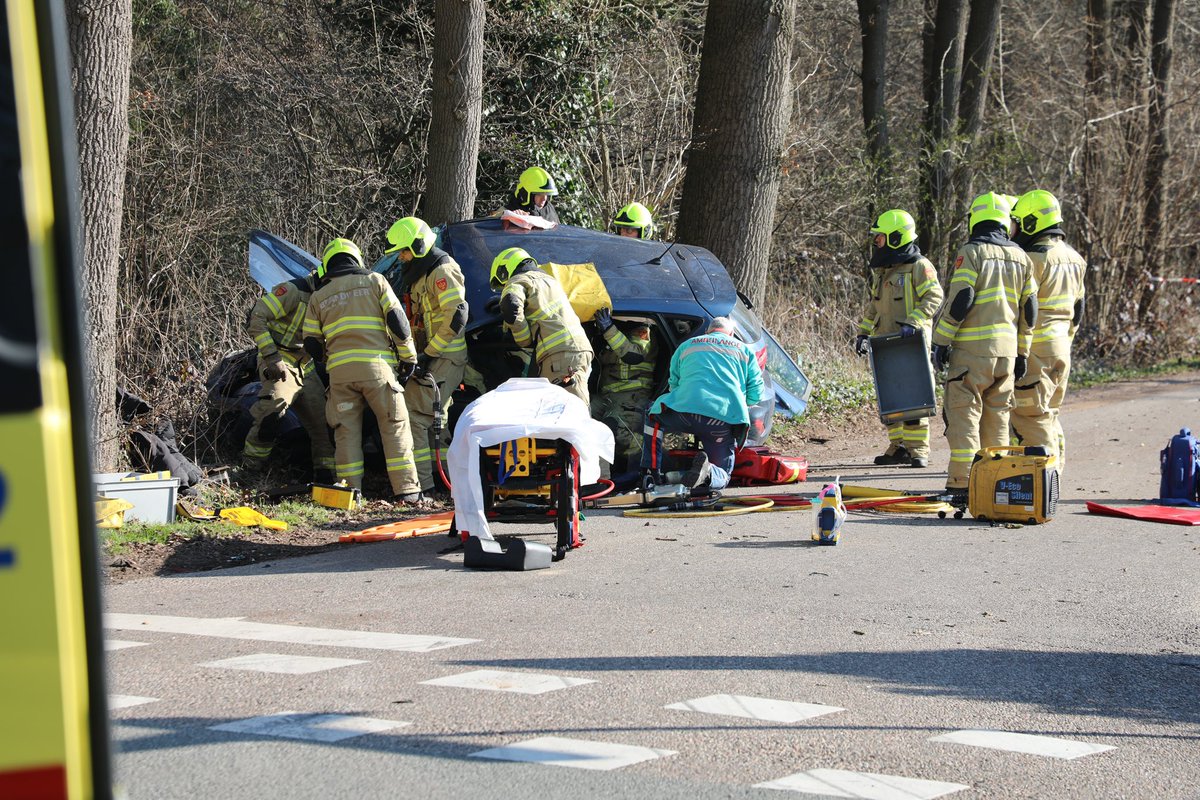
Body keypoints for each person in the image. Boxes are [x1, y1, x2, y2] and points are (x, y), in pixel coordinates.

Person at [931, 192, 1037, 492]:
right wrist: (1022, 352)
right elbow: (1030, 310)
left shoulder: (972, 252)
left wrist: (941, 341)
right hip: (1006, 356)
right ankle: (997, 484)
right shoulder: (1022, 257)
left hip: (972, 354)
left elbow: (961, 299)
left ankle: (961, 484)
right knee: (998, 419)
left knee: (964, 414)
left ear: (974, 220)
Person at [302, 238, 423, 502]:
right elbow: (398, 323)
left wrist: (331, 359)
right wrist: (408, 358)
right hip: (378, 370)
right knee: (394, 426)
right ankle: (408, 492)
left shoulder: (318, 296)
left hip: (340, 377)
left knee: (345, 432)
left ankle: (348, 493)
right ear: (356, 259)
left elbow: (311, 343)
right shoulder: (375, 281)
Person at [384, 216, 469, 499]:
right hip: (432, 356)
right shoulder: (423, 273)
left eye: (404, 251)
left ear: (419, 246)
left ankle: (425, 487)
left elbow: (457, 316)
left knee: (416, 417)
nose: (401, 257)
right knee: (434, 419)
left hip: (443, 356)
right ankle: (448, 482)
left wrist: (429, 356)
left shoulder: (442, 271)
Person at [854, 209, 944, 468]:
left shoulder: (920, 266)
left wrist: (913, 322)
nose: (876, 242)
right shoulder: (883, 271)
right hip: (885, 344)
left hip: (911, 344)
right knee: (891, 398)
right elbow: (874, 306)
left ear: (895, 238)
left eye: (880, 238)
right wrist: (863, 333)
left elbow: (934, 297)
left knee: (915, 398)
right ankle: (898, 447)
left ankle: (918, 451)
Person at [1008, 189, 1087, 474]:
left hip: (1035, 351)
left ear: (1030, 223)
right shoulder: (1076, 259)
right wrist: (1066, 339)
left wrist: (1017, 350)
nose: (1013, 230)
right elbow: (1078, 308)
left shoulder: (1032, 259)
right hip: (1062, 348)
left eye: (1016, 223)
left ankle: (1042, 479)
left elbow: (1021, 309)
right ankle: (1056, 474)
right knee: (1050, 413)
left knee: (1030, 415)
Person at [641, 317, 765, 492]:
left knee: (652, 414)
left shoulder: (686, 346)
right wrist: (738, 404)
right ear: (730, 334)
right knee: (724, 475)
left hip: (682, 415)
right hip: (719, 422)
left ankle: (651, 471)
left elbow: (674, 384)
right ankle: (709, 473)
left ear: (708, 331)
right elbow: (756, 394)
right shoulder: (745, 352)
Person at [241, 271, 337, 482]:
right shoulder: (294, 290)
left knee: (325, 423)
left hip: (307, 365)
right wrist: (272, 356)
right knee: (273, 408)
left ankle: (327, 479)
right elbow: (256, 317)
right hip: (280, 358)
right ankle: (250, 470)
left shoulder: (334, 297)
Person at [490, 246, 594, 405]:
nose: (503, 287)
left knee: (571, 414)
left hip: (561, 356)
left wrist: (523, 339)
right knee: (561, 412)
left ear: (505, 269)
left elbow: (510, 305)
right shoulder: (549, 280)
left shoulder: (519, 279)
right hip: (576, 351)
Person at [591, 308, 659, 478]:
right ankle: (584, 473)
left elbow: (632, 355)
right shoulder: (614, 337)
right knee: (582, 419)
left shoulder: (643, 331)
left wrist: (608, 329)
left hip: (630, 397)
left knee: (611, 430)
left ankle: (653, 455)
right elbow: (606, 357)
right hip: (606, 397)